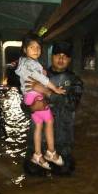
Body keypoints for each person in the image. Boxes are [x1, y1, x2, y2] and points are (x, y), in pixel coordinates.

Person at [25, 41, 83, 175]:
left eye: (65, 56)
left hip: (63, 140)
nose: (61, 59)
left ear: (69, 59)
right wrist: (32, 107)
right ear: (52, 56)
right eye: (58, 55)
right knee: (33, 173)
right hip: (39, 141)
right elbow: (24, 103)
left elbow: (72, 104)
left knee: (65, 172)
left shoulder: (75, 81)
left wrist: (47, 93)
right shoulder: (37, 74)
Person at [15, 33, 65, 170]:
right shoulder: (31, 64)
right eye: (32, 47)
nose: (36, 50)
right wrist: (53, 89)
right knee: (49, 121)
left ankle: (38, 155)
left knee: (39, 126)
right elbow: (38, 80)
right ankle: (50, 152)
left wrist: (45, 89)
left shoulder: (31, 64)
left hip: (33, 97)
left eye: (38, 47)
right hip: (35, 98)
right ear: (25, 50)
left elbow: (38, 80)